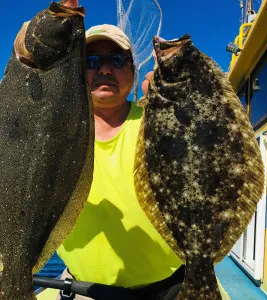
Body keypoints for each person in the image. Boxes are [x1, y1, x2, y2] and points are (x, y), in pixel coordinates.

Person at [37, 24, 184, 300]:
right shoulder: (55, 134)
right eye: (92, 61)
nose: (104, 70)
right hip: (82, 289)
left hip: (171, 287)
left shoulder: (163, 118)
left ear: (133, 69)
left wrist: (179, 98)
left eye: (116, 60)